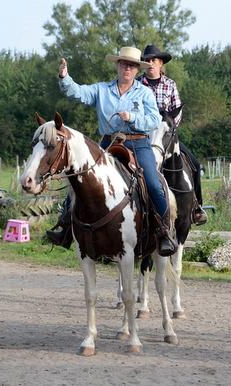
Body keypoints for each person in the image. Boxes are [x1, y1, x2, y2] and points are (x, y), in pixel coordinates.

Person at [47, 46, 176, 256]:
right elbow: (78, 93)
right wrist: (64, 77)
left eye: (132, 65)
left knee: (153, 183)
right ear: (117, 65)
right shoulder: (102, 90)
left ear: (137, 69)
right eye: (124, 63)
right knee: (79, 178)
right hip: (107, 143)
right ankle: (65, 227)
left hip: (138, 142)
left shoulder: (145, 92)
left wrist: (133, 118)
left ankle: (163, 232)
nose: (127, 68)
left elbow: (154, 120)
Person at [136, 44, 208, 226]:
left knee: (194, 164)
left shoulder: (170, 84)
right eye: (147, 61)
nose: (150, 64)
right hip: (143, 137)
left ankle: (196, 206)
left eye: (154, 60)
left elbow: (178, 111)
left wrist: (168, 129)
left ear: (161, 64)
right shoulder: (136, 84)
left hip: (166, 136)